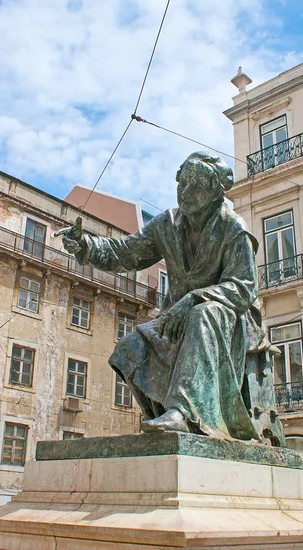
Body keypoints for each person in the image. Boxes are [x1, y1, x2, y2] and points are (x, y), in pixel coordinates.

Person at [57, 152, 268, 441]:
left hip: (226, 320)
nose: (185, 192)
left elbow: (243, 287)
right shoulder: (166, 223)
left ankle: (186, 413)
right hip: (178, 320)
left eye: (195, 186)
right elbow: (125, 252)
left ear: (214, 193)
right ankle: (158, 416)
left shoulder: (233, 229)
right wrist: (85, 245)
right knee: (130, 346)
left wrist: (196, 298)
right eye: (182, 183)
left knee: (202, 314)